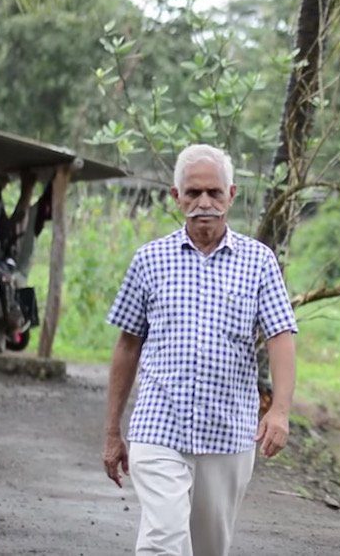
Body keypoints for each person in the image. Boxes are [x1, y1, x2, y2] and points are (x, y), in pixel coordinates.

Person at [102, 144, 297, 556]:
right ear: (176, 197)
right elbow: (127, 344)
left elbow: (281, 335)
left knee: (210, 547)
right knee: (163, 541)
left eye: (213, 192)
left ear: (232, 194)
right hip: (159, 427)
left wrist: (279, 410)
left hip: (228, 433)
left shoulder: (259, 262)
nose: (203, 203)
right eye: (192, 193)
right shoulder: (149, 260)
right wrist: (112, 432)